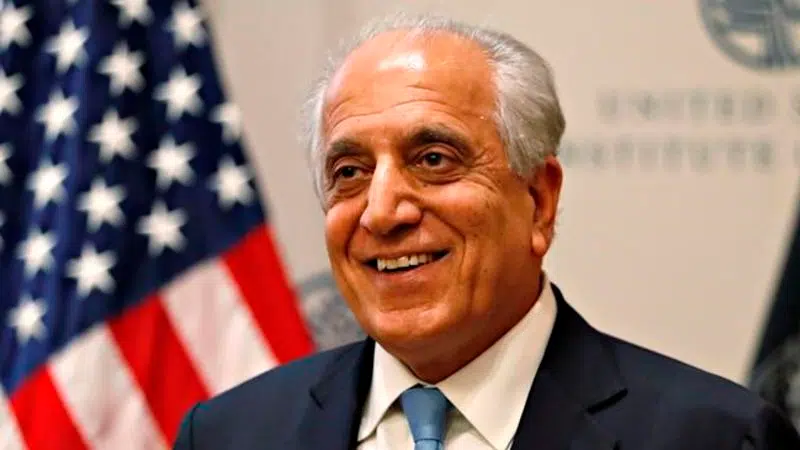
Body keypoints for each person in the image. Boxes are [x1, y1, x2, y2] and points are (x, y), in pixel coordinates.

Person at [173, 13, 800, 450]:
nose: (382, 212)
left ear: (538, 200)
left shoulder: (715, 437)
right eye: (350, 172)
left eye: (433, 159)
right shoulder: (228, 436)